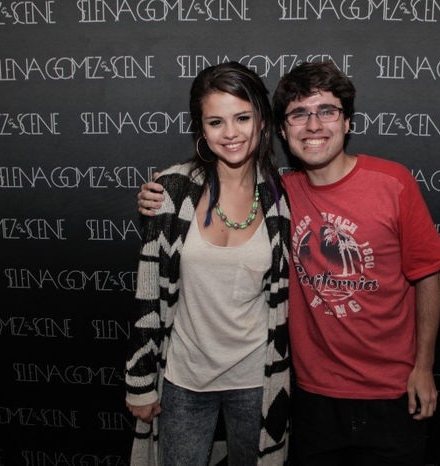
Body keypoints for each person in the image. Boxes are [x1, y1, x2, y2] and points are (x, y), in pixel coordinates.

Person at [139, 61, 440, 466]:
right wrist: (157, 197)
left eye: (326, 111)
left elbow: (428, 275)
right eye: (299, 114)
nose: (314, 125)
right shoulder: (279, 195)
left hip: (390, 391)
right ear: (283, 130)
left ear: (348, 121)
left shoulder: (392, 182)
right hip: (309, 393)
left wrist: (424, 367)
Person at [125, 62, 291, 466]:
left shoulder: (282, 196)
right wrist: (140, 383)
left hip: (257, 378)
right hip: (185, 377)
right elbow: (147, 292)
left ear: (263, 120)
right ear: (201, 128)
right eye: (216, 121)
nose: (230, 133)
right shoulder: (172, 189)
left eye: (242, 118)